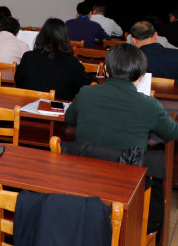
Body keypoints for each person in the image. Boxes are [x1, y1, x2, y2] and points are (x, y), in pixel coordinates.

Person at [66, 43, 178, 235]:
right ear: (141, 76)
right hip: (127, 190)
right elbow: (173, 133)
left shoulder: (86, 93)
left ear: (106, 70)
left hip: (82, 181)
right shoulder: (149, 105)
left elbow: (69, 119)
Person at [14, 18, 94, 100]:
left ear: (41, 36)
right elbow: (86, 84)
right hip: (59, 106)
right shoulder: (71, 61)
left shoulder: (28, 56)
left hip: (28, 104)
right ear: (65, 39)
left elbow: (19, 82)